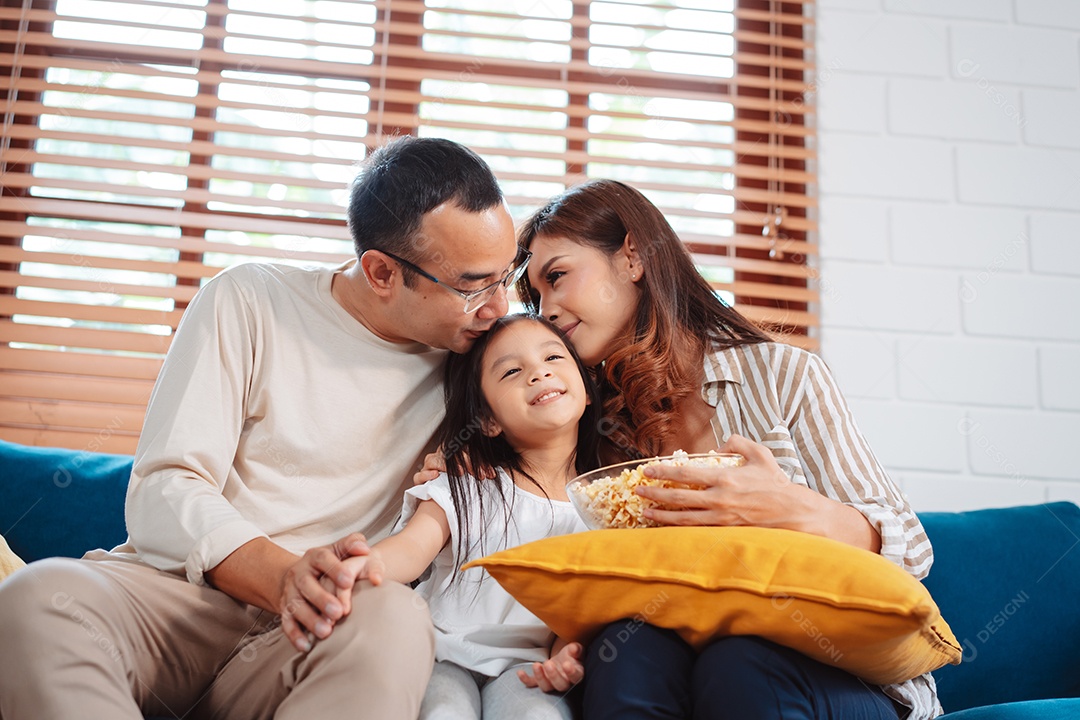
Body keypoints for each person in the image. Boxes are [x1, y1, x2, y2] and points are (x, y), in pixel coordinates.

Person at [0, 136, 526, 720]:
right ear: (380, 271)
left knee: (397, 617)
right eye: (474, 286)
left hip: (319, 634)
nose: (500, 306)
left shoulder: (489, 360)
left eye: (509, 275)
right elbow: (166, 484)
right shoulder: (250, 300)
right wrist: (283, 578)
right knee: (36, 598)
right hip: (180, 605)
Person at [513, 179, 937, 719]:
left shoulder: (785, 375)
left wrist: (789, 508)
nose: (546, 309)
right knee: (625, 653)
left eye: (557, 277)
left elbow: (915, 552)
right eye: (537, 296)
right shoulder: (595, 430)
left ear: (633, 258)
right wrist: (567, 646)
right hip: (685, 658)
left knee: (740, 661)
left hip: (837, 673)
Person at [338, 313, 601, 719]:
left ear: (586, 391)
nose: (538, 373)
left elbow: (578, 612)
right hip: (441, 652)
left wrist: (564, 657)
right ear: (489, 420)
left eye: (553, 358)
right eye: (512, 370)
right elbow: (412, 548)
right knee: (444, 712)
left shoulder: (600, 510)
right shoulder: (466, 482)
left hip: (525, 667)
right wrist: (365, 564)